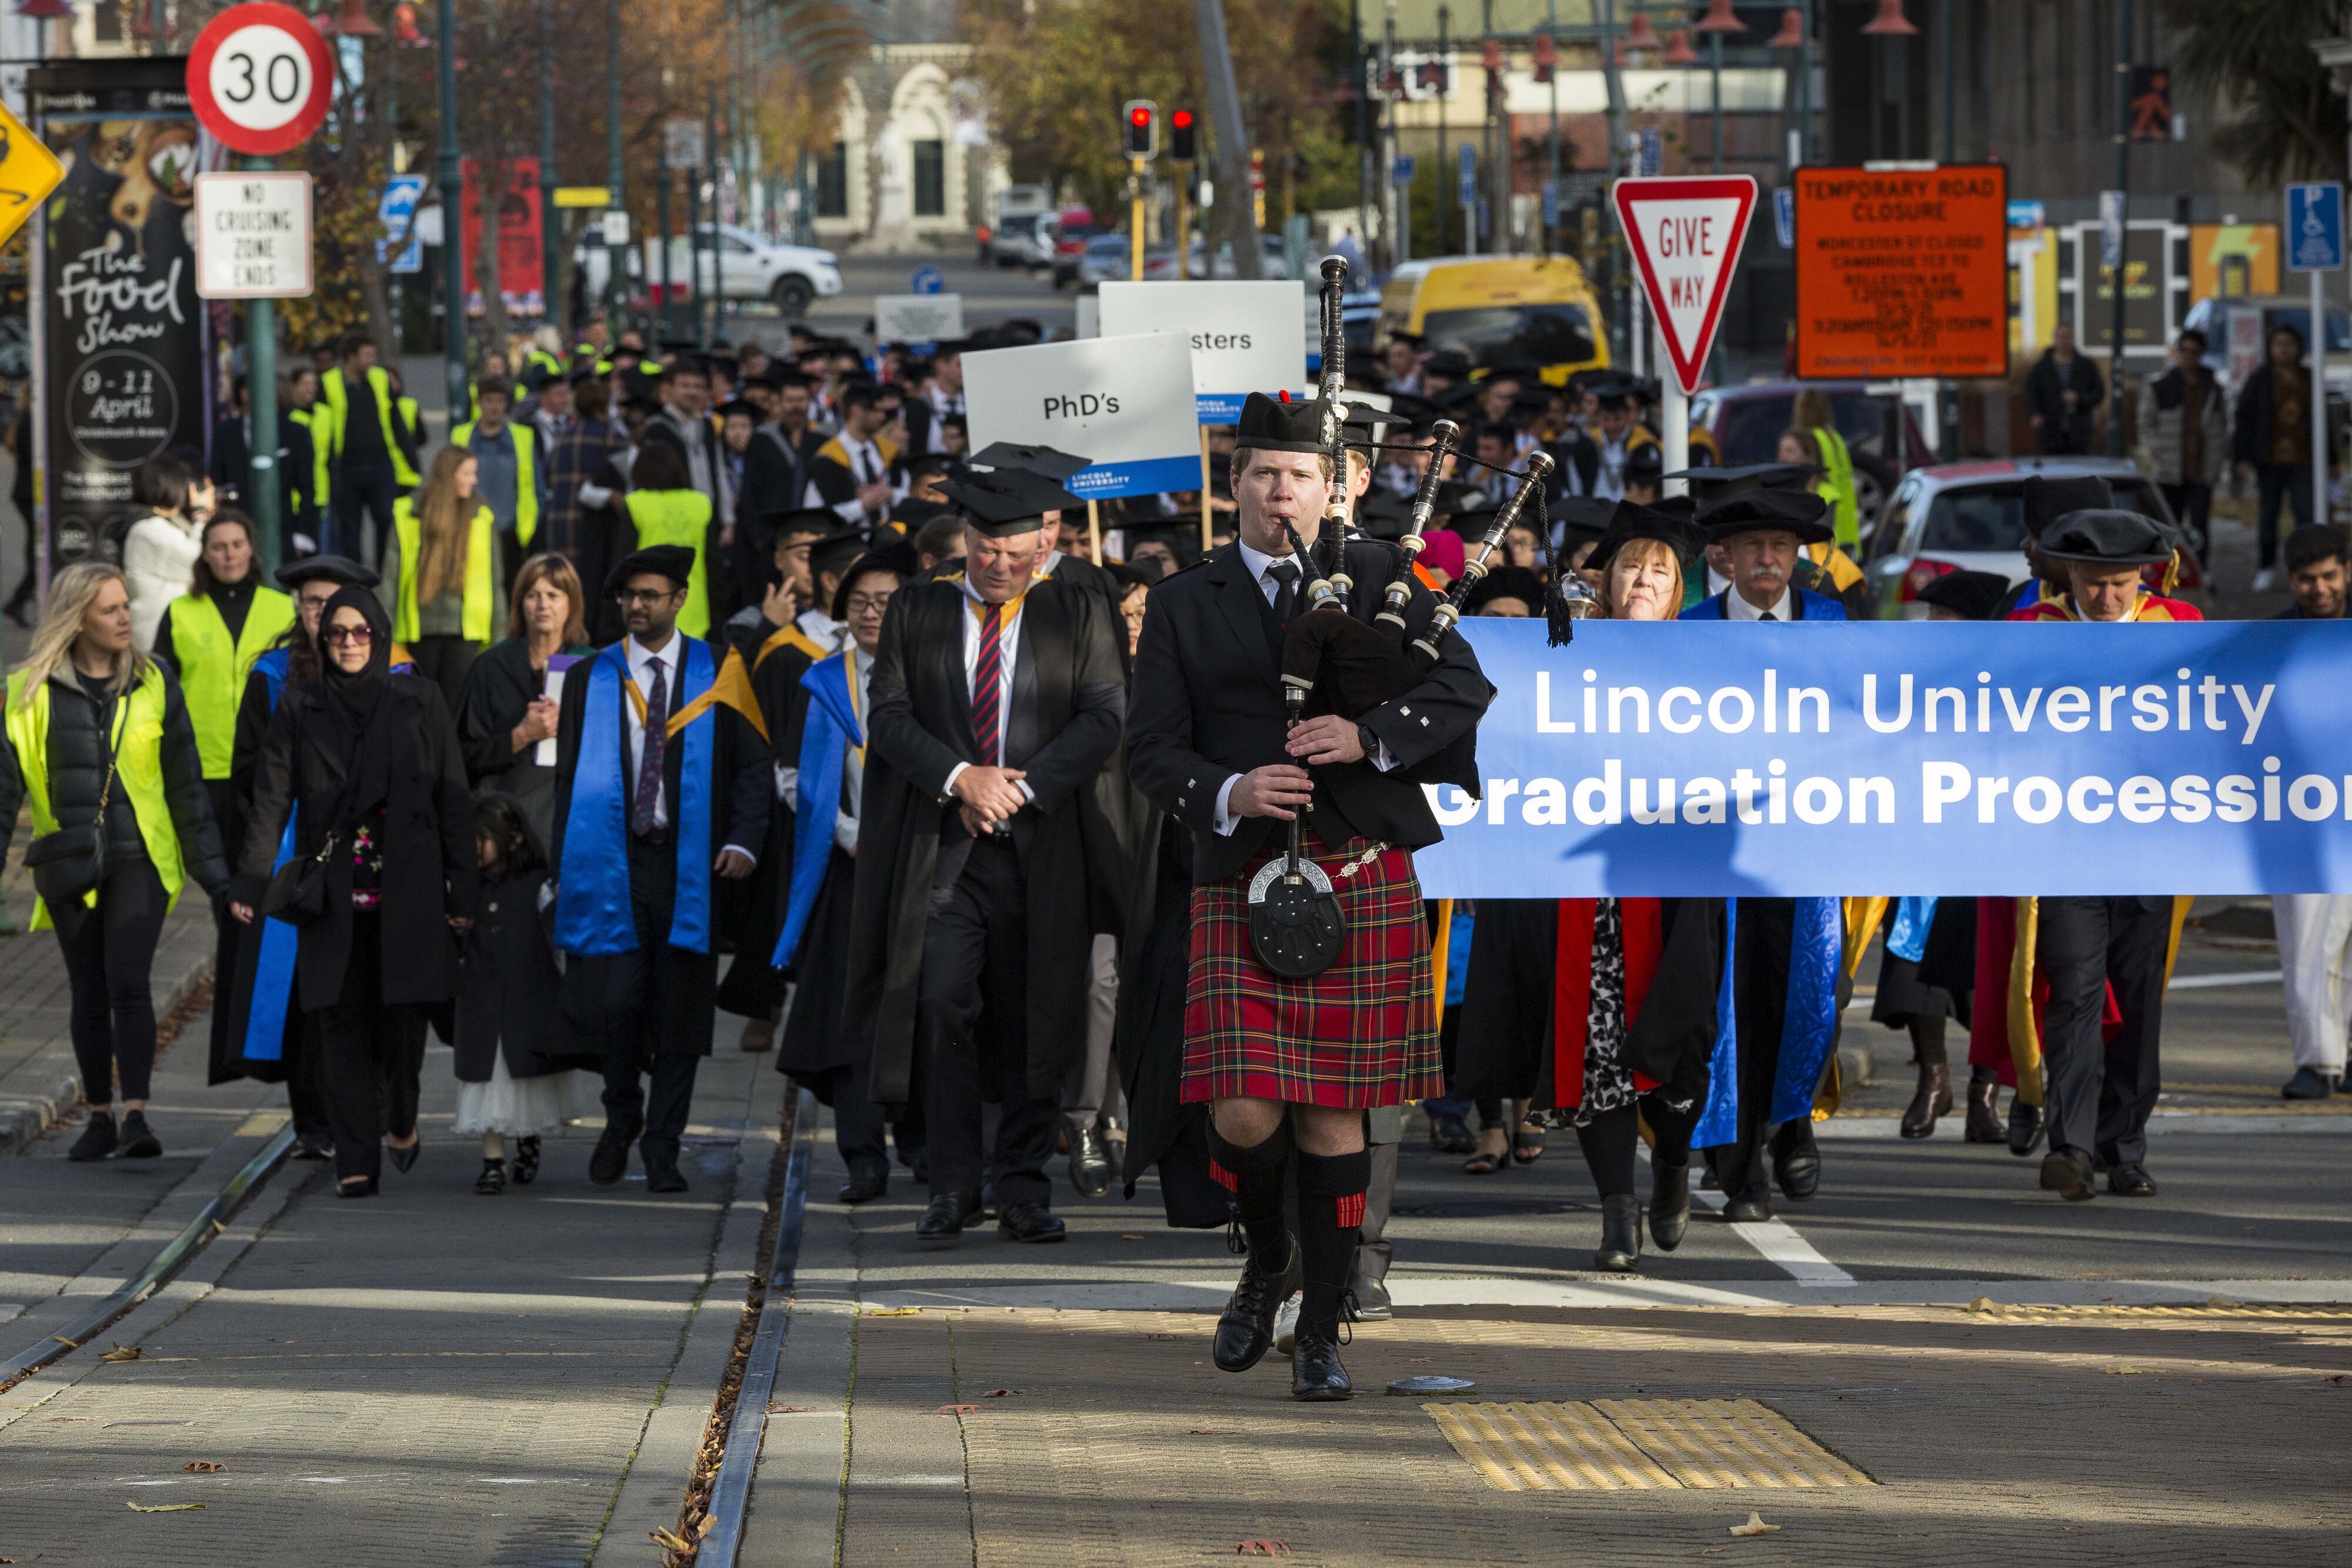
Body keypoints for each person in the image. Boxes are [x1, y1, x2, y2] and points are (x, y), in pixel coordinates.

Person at [1126, 390, 1490, 1399]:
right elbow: (1149, 747)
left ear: (1331, 488)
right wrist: (1229, 790)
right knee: (1244, 1114)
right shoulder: (1182, 601)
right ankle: (1262, 1262)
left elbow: (1460, 689)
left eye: (1297, 476)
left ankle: (1324, 1323)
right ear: (1233, 484)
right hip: (1242, 877)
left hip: (1358, 870)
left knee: (1333, 1120)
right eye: (1260, 473)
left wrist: (1368, 739)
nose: (1278, 491)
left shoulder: (1380, 575)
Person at [842, 466, 1129, 1247]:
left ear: (1043, 541)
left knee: (1036, 1015)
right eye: (982, 547)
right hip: (946, 847)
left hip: (1043, 847)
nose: (996, 563)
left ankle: (1022, 1185)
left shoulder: (1076, 606)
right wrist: (961, 777)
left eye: (1011, 549)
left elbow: (1105, 714)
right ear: (964, 539)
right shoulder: (918, 606)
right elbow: (891, 713)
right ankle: (952, 1184)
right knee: (942, 1005)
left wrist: (1024, 789)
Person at [1457, 506, 1727, 1271]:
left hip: (1675, 883)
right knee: (1589, 1045)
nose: (1642, 579)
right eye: (1631, 566)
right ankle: (1616, 1210)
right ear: (1604, 576)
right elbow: (1507, 755)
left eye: (1659, 570)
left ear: (1677, 589)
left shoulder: (1711, 660)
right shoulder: (1557, 651)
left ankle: (1671, 1159)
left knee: (1681, 1048)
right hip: (1575, 883)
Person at [233, 587, 476, 1197]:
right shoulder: (301, 705)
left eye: (361, 631)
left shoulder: (420, 699)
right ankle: (355, 1159)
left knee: (400, 1026)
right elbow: (271, 796)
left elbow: (452, 794)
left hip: (409, 891)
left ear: (381, 634)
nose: (347, 641)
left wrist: (463, 887)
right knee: (338, 1026)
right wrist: (252, 879)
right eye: (337, 631)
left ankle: (399, 1116)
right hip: (333, 895)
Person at [548, 546, 769, 1195]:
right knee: (617, 1005)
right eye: (629, 596)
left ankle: (663, 1143)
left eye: (651, 594)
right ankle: (622, 1115)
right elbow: (566, 778)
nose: (638, 605)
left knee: (680, 1011)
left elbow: (756, 766)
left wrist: (746, 840)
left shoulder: (718, 670)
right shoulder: (592, 675)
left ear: (679, 599)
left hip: (691, 864)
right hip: (612, 861)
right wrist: (563, 862)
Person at [1, 563, 230, 1162]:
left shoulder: (155, 681)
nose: (126, 617)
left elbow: (186, 788)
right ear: (78, 619)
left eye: (126, 605)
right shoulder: (25, 691)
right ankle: (98, 1114)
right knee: (88, 988)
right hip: (68, 859)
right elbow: (3, 796)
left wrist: (219, 880)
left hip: (141, 855)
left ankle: (137, 1115)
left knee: (129, 980)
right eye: (111, 609)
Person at [1677, 483, 1846, 1219]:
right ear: (1727, 556)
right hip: (1717, 852)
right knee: (1732, 1005)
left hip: (1810, 849)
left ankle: (1793, 1125)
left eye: (1780, 546)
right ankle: (1744, 1170)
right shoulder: (1690, 629)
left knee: (1808, 994)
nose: (1768, 559)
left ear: (1797, 555)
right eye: (1753, 547)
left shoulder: (1835, 622)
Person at [221, 555, 380, 1160]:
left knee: (360, 987)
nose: (320, 613)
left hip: (367, 853)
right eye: (310, 602)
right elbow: (248, 776)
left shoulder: (392, 672)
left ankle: (368, 1108)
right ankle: (313, 1117)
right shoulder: (274, 675)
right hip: (295, 855)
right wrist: (257, 862)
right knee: (300, 994)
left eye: (330, 601)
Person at [772, 547, 913, 1199]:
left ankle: (920, 1141)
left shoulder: (927, 675)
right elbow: (793, 774)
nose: (870, 612)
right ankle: (863, 1156)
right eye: (859, 603)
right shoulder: (823, 681)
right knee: (850, 1013)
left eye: (884, 601)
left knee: (914, 1004)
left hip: (916, 865)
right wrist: (850, 830)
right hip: (847, 866)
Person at [151, 512, 296, 1086]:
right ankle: (243, 1039)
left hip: (262, 778)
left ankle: (265, 1035)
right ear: (204, 554)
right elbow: (161, 689)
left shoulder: (280, 608)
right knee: (229, 908)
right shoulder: (181, 613)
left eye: (237, 544)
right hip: (201, 775)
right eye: (218, 546)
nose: (229, 554)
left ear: (250, 550)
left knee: (262, 904)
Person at [455, 792, 594, 1193]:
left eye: (484, 838)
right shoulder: (466, 888)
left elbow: (559, 936)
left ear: (512, 838)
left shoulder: (538, 884)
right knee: (489, 1082)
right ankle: (493, 1160)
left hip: (528, 1002)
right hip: (481, 1004)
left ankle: (527, 1141)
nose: (475, 849)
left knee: (524, 1082)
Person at [454, 554, 596, 845]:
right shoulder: (490, 667)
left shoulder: (592, 669)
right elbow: (463, 756)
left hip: (570, 815)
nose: (543, 605)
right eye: (533, 595)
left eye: (554, 595)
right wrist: (521, 735)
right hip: (503, 817)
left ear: (572, 604)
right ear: (520, 603)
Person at [383, 446, 505, 712]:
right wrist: (386, 636)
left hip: (466, 632)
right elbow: (390, 580)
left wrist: (499, 641)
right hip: (418, 630)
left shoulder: (481, 516)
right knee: (418, 711)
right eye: (468, 474)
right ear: (449, 476)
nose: (474, 481)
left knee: (455, 711)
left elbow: (496, 584)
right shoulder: (407, 514)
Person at [2234, 323, 2320, 590]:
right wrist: (2242, 456)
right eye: (2278, 344)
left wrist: (2329, 460)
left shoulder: (2309, 378)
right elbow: (2245, 420)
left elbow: (2322, 418)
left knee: (2305, 513)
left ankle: (2306, 566)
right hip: (2268, 460)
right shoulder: (2259, 379)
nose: (2284, 350)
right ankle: (2266, 566)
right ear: (2270, 349)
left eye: (2289, 344)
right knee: (2269, 515)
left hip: (2303, 459)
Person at [321, 332, 420, 561]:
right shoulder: (329, 383)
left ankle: (383, 570)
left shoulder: (380, 379)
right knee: (350, 526)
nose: (372, 360)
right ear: (351, 357)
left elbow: (396, 422)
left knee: (386, 518)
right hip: (347, 465)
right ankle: (354, 574)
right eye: (367, 355)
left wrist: (413, 462)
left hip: (380, 462)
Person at [2139, 328, 2228, 565]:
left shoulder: (2212, 389)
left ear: (2201, 354)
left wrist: (2216, 464)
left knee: (2200, 525)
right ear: (2178, 353)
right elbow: (2145, 424)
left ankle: (2201, 570)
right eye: (2185, 351)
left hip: (2201, 469)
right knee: (2169, 524)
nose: (2189, 356)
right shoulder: (2161, 386)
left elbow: (2221, 428)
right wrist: (2157, 453)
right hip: (2169, 470)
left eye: (2195, 352)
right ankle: (2168, 570)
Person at [451, 376, 549, 585]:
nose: (495, 407)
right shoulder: (461, 435)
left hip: (512, 533)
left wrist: (529, 526)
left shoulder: (523, 436)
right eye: (489, 400)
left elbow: (537, 487)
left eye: (499, 401)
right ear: (479, 403)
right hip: (471, 529)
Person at [620, 441, 720, 639]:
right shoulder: (701, 503)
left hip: (646, 605)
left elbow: (622, 560)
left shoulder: (636, 503)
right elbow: (714, 562)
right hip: (694, 607)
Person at [122, 456, 211, 650]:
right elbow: (201, 562)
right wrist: (202, 514)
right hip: (155, 639)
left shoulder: (168, 524)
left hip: (171, 632)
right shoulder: (147, 530)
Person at [804, 381, 900, 526]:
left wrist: (890, 494)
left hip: (890, 538)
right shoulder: (827, 460)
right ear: (856, 410)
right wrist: (862, 506)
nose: (882, 417)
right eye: (876, 411)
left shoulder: (889, 452)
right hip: (849, 543)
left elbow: (909, 491)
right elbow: (816, 512)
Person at [2025, 320, 2104, 456]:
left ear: (2072, 338)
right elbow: (2031, 393)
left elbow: (2098, 393)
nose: (2064, 341)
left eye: (2067, 337)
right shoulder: (2042, 368)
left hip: (2079, 431)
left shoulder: (2086, 366)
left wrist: (2078, 398)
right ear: (2055, 339)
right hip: (2050, 431)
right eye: (2060, 337)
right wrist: (2034, 414)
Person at [2276, 525, 2350, 620]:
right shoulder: (2268, 633)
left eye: (2329, 576)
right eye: (2308, 579)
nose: (2320, 589)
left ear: (2348, 571)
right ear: (2291, 579)